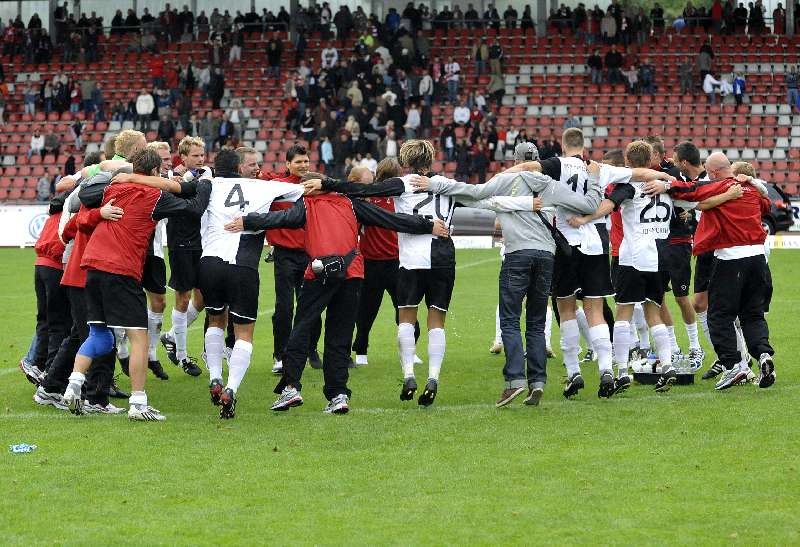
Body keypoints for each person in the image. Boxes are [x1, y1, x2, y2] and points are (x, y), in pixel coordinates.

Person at [303, 140, 536, 406]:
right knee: (437, 321)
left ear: (404, 163)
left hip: (412, 259)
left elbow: (362, 189)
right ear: (431, 160)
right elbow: (482, 202)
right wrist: (526, 204)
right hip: (443, 258)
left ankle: (409, 374)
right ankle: (434, 377)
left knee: (406, 318)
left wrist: (327, 183)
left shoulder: (403, 183)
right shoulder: (445, 184)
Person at [228, 171, 449, 414]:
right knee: (340, 334)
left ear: (312, 187)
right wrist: (428, 225)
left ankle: (291, 387)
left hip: (319, 273)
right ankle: (338, 394)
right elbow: (389, 219)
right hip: (352, 273)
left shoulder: (307, 204)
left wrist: (248, 221)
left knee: (301, 329)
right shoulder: (350, 203)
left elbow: (280, 218)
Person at [418, 141, 604, 406]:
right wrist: (595, 178)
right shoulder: (551, 185)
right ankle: (537, 381)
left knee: (509, 319)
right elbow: (588, 204)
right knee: (537, 323)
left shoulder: (506, 179)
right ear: (537, 159)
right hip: (546, 257)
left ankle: (514, 380)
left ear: (515, 160)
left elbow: (471, 192)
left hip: (516, 253)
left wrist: (434, 183)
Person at [507, 129, 668, 398]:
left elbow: (526, 167)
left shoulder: (554, 165)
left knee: (566, 308)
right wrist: (666, 179)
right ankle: (606, 370)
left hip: (564, 244)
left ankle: (574, 373)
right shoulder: (597, 168)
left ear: (562, 144)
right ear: (584, 146)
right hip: (594, 244)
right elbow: (639, 174)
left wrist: (500, 177)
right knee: (594, 309)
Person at [65, 147, 212, 421]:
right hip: (120, 269)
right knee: (139, 338)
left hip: (92, 266)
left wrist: (101, 210)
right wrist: (205, 184)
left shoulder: (113, 188)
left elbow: (81, 199)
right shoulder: (155, 195)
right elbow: (194, 209)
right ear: (156, 171)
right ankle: (139, 404)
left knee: (99, 335)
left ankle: (74, 386)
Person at [649, 152, 776, 390]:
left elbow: (691, 191)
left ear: (715, 173)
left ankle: (734, 366)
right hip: (758, 259)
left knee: (719, 315)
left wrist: (664, 184)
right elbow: (766, 204)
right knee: (753, 314)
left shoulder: (719, 186)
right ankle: (764, 356)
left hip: (731, 259)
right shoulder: (749, 189)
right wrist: (753, 183)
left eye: (709, 172)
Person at [568, 141, 683, 393]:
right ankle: (666, 365)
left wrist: (584, 219)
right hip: (661, 256)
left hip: (633, 257)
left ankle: (621, 371)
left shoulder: (629, 185)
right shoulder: (667, 187)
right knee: (654, 312)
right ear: (651, 160)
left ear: (627, 163)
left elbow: (608, 206)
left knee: (624, 313)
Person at [197, 150, 304, 418]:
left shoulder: (209, 184)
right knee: (244, 333)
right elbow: (302, 192)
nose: (257, 168)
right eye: (252, 165)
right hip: (242, 267)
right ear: (239, 167)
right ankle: (231, 389)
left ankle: (214, 376)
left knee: (214, 321)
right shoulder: (265, 187)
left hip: (209, 262)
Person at [350, 160, 420, 367]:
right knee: (368, 310)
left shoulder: (402, 199)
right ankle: (361, 351)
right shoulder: (368, 199)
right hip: (372, 263)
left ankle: (408, 350)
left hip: (395, 262)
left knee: (403, 307)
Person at [261, 145, 322, 374]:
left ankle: (311, 349)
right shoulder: (276, 188)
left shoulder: (315, 187)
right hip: (285, 254)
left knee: (311, 306)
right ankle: (280, 354)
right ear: (287, 164)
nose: (303, 165)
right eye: (298, 162)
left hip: (311, 254)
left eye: (306, 161)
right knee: (284, 307)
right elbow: (260, 179)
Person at [159, 136, 207, 377]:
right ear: (184, 158)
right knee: (183, 297)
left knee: (203, 298)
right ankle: (182, 356)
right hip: (181, 244)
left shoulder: (207, 176)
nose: (201, 159)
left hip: (204, 244)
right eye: (196, 155)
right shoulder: (170, 181)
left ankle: (169, 336)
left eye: (202, 154)